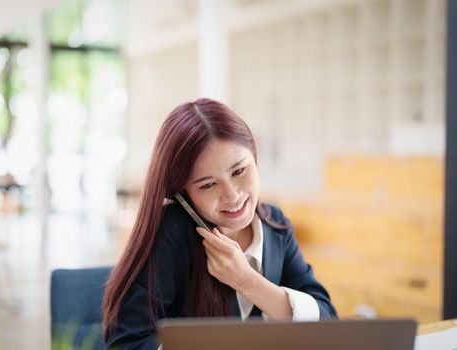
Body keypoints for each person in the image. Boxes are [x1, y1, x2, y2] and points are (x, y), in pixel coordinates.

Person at [102, 98, 337, 349]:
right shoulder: (172, 233)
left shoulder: (274, 225)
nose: (233, 196)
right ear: (183, 194)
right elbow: (127, 343)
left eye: (239, 171)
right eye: (208, 185)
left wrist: (247, 280)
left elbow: (327, 322)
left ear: (254, 157)